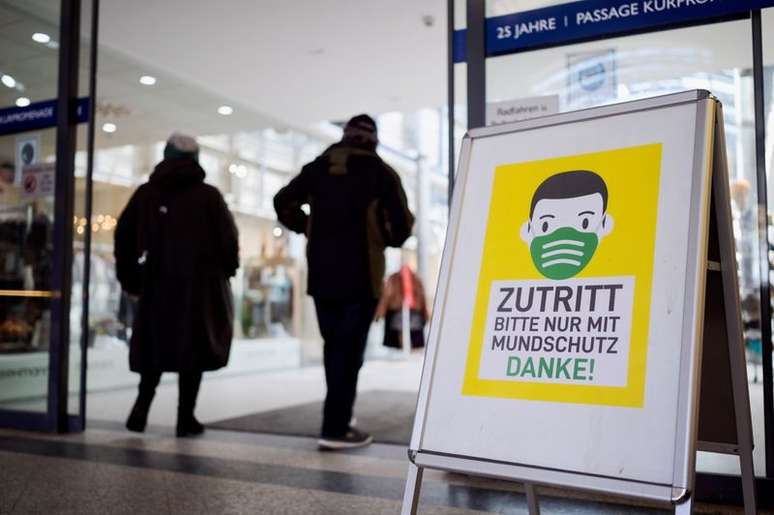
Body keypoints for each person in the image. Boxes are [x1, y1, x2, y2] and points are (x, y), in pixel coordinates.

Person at [274, 114, 414, 450]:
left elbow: (283, 201)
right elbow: (402, 228)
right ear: (373, 140)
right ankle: (335, 427)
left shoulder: (318, 168)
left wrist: (305, 226)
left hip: (322, 275)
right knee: (349, 352)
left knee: (334, 347)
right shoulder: (381, 174)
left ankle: (338, 415)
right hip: (361, 276)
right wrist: (385, 238)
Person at [114, 132, 239, 437]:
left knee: (155, 346)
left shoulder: (146, 194)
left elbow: (123, 237)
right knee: (192, 350)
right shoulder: (209, 196)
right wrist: (226, 273)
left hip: (156, 284)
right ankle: (186, 418)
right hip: (201, 288)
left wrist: (131, 279)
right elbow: (229, 241)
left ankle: (141, 408)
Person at [375, 264, 429, 350]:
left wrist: (379, 313)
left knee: (407, 337)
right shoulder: (415, 279)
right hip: (405, 313)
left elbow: (386, 296)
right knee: (405, 336)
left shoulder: (395, 278)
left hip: (405, 313)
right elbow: (386, 296)